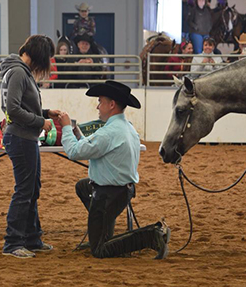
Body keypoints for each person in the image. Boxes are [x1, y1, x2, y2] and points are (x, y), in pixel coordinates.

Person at [58, 80, 171, 259]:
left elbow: (73, 152)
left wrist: (65, 127)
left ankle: (151, 235)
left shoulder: (109, 132)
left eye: (100, 101)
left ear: (111, 105)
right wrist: (78, 134)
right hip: (123, 190)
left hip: (108, 193)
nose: (97, 106)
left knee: (100, 251)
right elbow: (92, 146)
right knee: (83, 187)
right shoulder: (126, 127)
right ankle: (103, 230)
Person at [0, 35, 61, 259]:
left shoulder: (18, 71)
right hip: (21, 137)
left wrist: (46, 113)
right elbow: (13, 109)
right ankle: (13, 243)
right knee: (25, 191)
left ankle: (32, 238)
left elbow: (19, 106)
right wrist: (40, 122)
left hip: (25, 137)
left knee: (31, 189)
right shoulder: (18, 72)